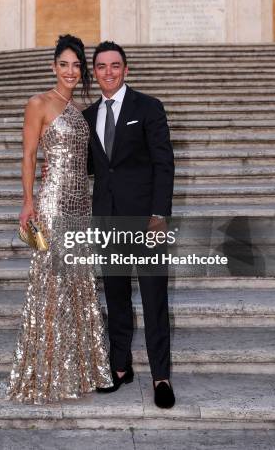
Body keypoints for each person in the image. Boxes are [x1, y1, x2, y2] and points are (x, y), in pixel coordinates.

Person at [5, 34, 112, 404]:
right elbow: (29, 156)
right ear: (53, 66)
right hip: (52, 205)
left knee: (77, 287)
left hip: (81, 206)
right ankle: (48, 372)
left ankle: (77, 371)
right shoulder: (39, 103)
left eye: (76, 65)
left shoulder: (81, 111)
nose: (70, 71)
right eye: (63, 64)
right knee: (51, 287)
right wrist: (27, 201)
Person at [82, 41, 175, 409]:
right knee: (116, 296)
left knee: (154, 299)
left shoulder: (148, 107)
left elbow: (163, 163)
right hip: (106, 218)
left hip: (145, 219)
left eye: (115, 65)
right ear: (95, 72)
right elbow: (94, 166)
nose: (108, 72)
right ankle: (120, 366)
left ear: (125, 69)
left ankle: (161, 376)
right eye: (101, 66)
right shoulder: (88, 115)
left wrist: (159, 214)